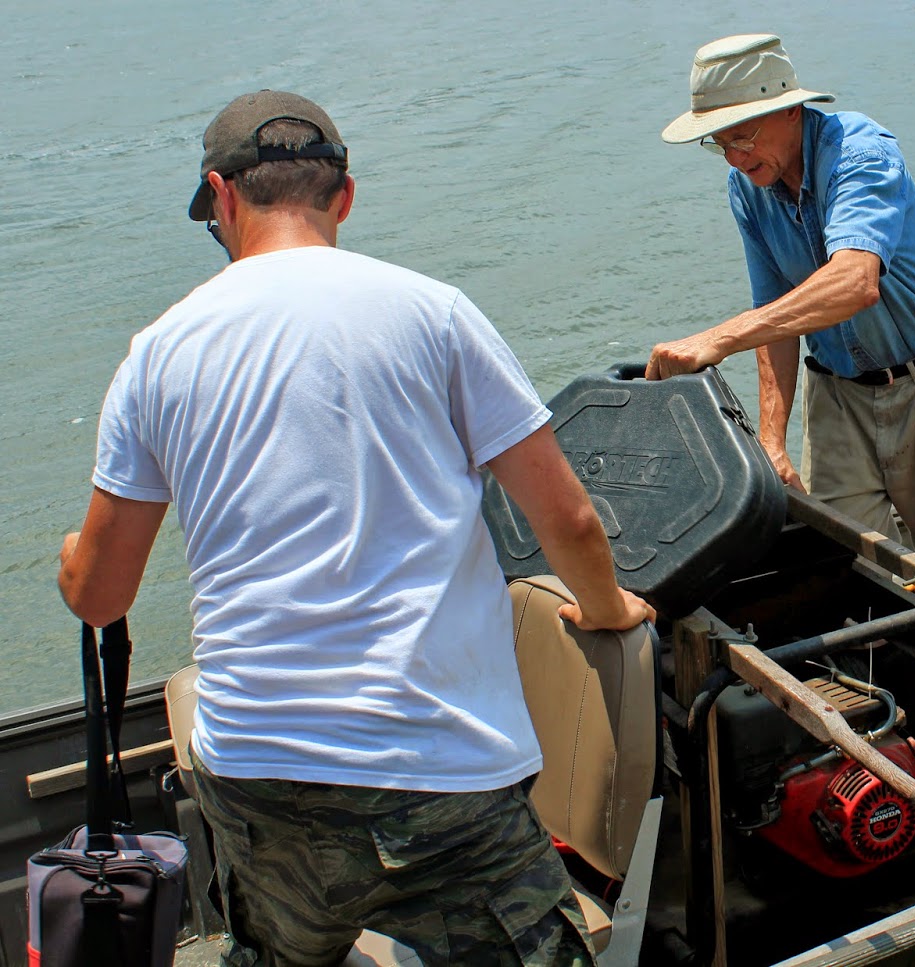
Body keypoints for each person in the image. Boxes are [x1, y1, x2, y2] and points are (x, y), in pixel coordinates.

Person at [55, 89, 653, 966]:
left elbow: (101, 594)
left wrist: (72, 562)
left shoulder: (159, 351)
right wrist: (605, 610)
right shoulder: (434, 313)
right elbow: (565, 517)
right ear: (345, 196)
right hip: (442, 776)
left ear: (221, 200)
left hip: (259, 775)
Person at [649, 34, 915, 601]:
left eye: (742, 137)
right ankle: (892, 680)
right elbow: (774, 314)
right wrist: (771, 440)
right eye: (719, 144)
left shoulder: (860, 153)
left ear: (790, 109)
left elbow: (855, 282)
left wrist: (716, 340)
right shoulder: (748, 188)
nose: (734, 158)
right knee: (849, 561)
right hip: (838, 395)